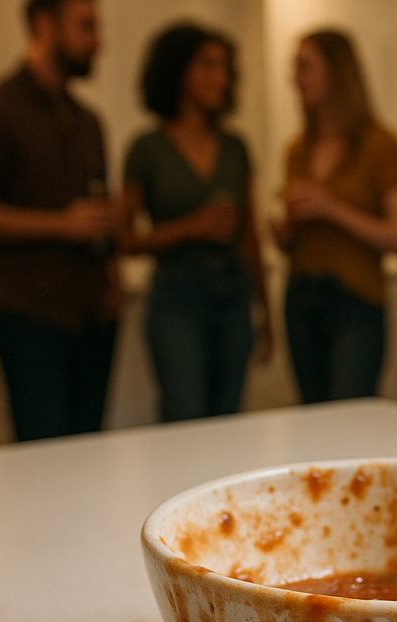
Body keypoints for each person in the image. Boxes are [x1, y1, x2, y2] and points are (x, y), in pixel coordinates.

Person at [0, 0, 118, 442]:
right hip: (31, 317)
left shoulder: (88, 121)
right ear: (45, 25)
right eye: (86, 27)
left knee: (88, 451)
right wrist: (60, 224)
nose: (99, 41)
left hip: (92, 317)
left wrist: (112, 282)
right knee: (43, 454)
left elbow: (99, 218)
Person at [121, 23, 271, 422]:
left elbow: (251, 235)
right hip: (176, 297)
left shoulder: (236, 146)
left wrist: (266, 313)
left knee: (227, 416)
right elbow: (124, 239)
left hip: (233, 294)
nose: (218, 77)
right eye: (207, 65)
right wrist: (190, 227)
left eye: (224, 67)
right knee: (185, 412)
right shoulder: (147, 148)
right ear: (178, 70)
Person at [270, 30, 397, 404]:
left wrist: (332, 209)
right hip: (301, 297)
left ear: (337, 72)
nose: (295, 78)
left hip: (355, 302)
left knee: (351, 418)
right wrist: (285, 232)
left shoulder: (381, 145)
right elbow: (298, 240)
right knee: (312, 417)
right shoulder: (296, 150)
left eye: (304, 66)